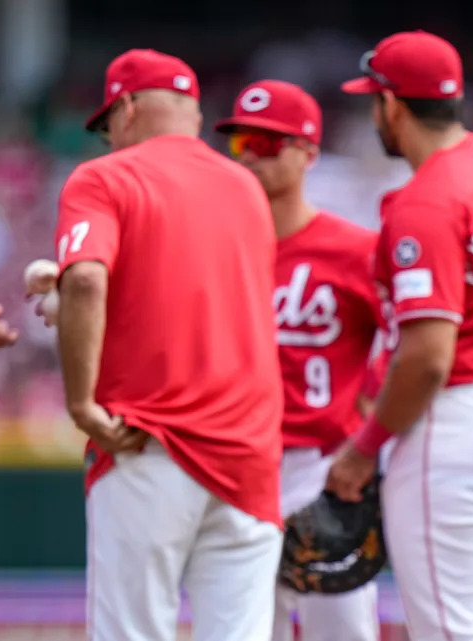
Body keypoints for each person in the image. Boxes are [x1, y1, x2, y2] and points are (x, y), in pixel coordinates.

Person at [54, 49, 284, 641]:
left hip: (148, 440)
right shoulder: (246, 188)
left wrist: (81, 405)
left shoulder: (105, 175)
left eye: (107, 125)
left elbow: (84, 279)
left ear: (125, 108)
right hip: (250, 456)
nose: (108, 138)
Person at [325, 30, 473, 641]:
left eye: (374, 101)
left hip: (452, 429)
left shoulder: (424, 199)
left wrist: (363, 449)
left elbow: (427, 357)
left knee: (457, 630)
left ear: (391, 105)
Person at [214, 79, 384, 641]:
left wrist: (366, 437)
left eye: (270, 143)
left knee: (343, 633)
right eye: (243, 144)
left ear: (309, 153)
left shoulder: (356, 249)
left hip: (321, 468)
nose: (253, 156)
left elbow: (409, 343)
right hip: (235, 466)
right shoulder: (212, 251)